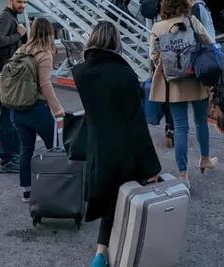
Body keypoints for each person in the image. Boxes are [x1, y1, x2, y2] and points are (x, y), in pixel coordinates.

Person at [72, 21, 161, 267]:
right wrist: (151, 165)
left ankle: (101, 253)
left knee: (109, 201)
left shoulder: (81, 73)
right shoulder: (125, 74)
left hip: (97, 148)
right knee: (124, 202)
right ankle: (118, 253)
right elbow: (136, 124)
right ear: (115, 41)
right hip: (124, 149)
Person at [149, 0, 217, 186]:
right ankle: (205, 158)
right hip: (196, 79)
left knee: (180, 127)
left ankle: (183, 174)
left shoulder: (158, 27)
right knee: (201, 122)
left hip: (174, 83)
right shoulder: (192, 21)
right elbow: (209, 43)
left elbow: (154, 55)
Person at [10, 18, 65, 202]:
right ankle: (55, 188)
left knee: (26, 150)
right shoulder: (44, 54)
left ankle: (27, 191)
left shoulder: (21, 50)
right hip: (37, 109)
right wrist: (57, 108)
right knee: (54, 148)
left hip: (17, 109)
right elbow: (45, 84)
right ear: (50, 33)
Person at [0, 0, 29, 174]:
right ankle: (7, 159)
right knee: (7, 117)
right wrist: (18, 35)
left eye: (24, 2)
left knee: (12, 115)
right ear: (10, 0)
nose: (22, 5)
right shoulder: (6, 17)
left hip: (6, 73)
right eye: (19, 2)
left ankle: (13, 155)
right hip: (3, 74)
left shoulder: (11, 17)